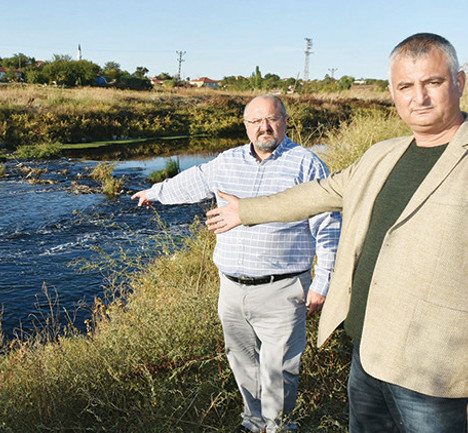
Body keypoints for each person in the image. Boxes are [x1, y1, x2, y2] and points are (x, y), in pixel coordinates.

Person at [206, 33, 468, 433]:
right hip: (367, 355)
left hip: (433, 377)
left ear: (459, 83)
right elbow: (322, 192)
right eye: (406, 86)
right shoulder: (385, 153)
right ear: (393, 93)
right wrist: (245, 211)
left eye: (432, 82)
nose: (420, 97)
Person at [132, 95, 341, 432]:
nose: (264, 127)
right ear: (246, 126)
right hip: (231, 288)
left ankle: (278, 427)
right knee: (242, 361)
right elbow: (192, 180)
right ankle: (253, 421)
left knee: (279, 368)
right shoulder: (226, 162)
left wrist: (323, 282)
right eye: (256, 121)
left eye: (272, 119)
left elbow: (328, 225)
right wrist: (155, 192)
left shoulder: (307, 164)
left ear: (285, 121)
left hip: (283, 288)